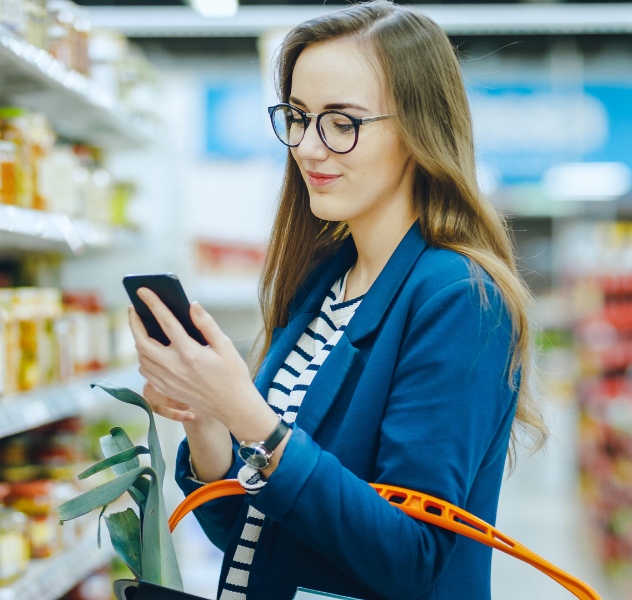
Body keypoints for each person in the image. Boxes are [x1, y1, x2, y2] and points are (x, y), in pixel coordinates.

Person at [126, 2, 548, 599]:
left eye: (342, 122)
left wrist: (249, 415)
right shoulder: (320, 284)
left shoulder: (459, 298)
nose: (308, 147)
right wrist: (207, 416)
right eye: (298, 117)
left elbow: (411, 558)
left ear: (418, 130)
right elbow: (252, 534)